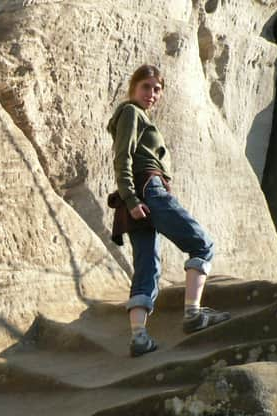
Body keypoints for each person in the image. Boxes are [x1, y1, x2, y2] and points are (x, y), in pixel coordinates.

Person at [107, 64, 231, 357]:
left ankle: (139, 338)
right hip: (148, 191)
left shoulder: (137, 116)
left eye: (157, 89)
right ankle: (193, 314)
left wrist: (131, 200)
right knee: (202, 244)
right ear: (133, 88)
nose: (152, 94)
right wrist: (132, 198)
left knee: (148, 267)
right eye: (146, 86)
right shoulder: (130, 113)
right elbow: (121, 158)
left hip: (138, 197)